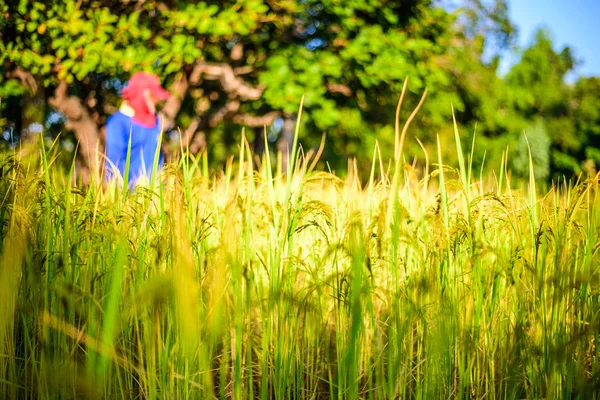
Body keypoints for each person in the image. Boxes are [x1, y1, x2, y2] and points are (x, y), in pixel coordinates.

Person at [104, 72, 170, 187]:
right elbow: (114, 164)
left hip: (155, 193)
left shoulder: (154, 121)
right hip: (131, 195)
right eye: (152, 96)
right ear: (140, 95)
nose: (156, 101)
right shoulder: (118, 122)